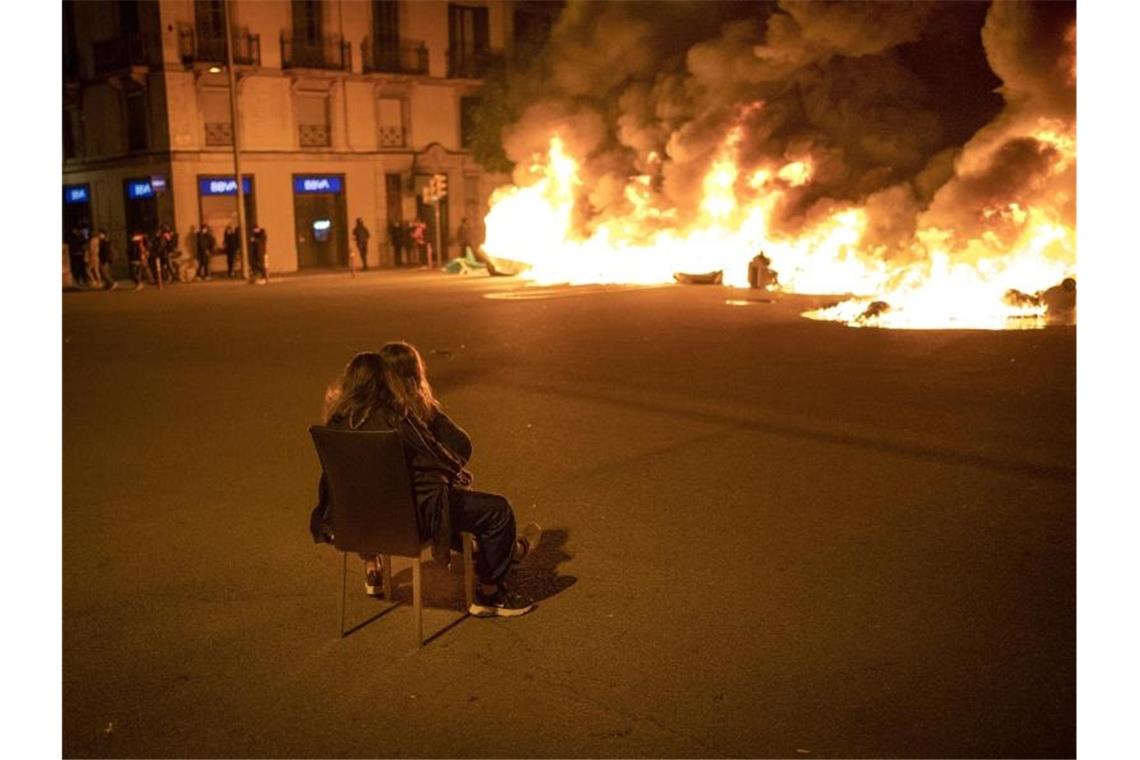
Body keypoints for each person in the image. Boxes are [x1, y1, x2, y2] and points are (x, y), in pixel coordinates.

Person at [310, 343, 542, 617]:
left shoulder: (333, 427)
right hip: (411, 521)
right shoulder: (398, 419)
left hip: (357, 524)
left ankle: (372, 565)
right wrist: (456, 473)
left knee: (446, 503)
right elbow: (439, 455)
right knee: (498, 511)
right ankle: (490, 594)